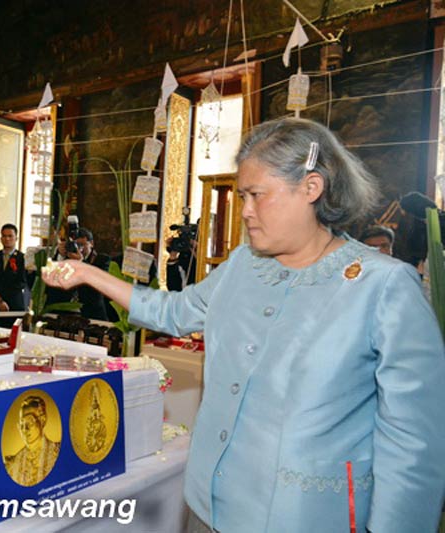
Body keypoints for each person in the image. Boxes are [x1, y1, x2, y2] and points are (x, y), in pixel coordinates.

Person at [42, 118, 445, 533]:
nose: (245, 211)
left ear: (311, 188)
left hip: (304, 517)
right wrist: (89, 274)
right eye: (242, 196)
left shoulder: (382, 286)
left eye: (257, 195)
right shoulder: (242, 265)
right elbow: (173, 312)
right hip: (208, 506)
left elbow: (414, 446)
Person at [4, 395, 60, 486]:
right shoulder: (12, 464)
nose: (25, 429)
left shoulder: (57, 452)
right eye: (22, 424)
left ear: (42, 420)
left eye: (29, 422)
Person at [0, 223, 29, 327]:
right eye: (4, 236)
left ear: (16, 238)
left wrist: (3, 298)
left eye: (10, 236)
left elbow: (21, 282)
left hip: (14, 304)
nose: (7, 239)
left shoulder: (22, 258)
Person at [73, 228, 110, 320]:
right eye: (76, 245)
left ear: (92, 243)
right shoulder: (69, 259)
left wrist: (81, 261)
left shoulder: (103, 259)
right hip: (71, 312)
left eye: (82, 245)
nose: (79, 249)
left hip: (94, 313)